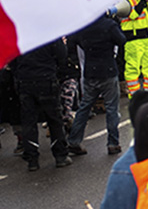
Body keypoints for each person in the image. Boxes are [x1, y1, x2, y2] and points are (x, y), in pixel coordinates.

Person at [67, 13, 127, 156]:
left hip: (90, 71)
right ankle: (113, 143)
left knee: (85, 107)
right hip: (107, 69)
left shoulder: (84, 26)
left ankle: (74, 140)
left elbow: (72, 42)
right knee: (112, 108)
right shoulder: (109, 25)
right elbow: (122, 40)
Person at [12, 38, 72, 170]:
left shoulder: (21, 35)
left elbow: (13, 59)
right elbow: (62, 54)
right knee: (54, 119)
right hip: (46, 79)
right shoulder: (48, 33)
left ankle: (32, 159)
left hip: (25, 81)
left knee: (29, 122)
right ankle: (60, 155)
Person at [121, 0, 148, 95]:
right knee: (133, 69)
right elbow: (133, 15)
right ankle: (135, 96)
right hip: (133, 39)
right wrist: (144, 1)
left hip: (146, 37)